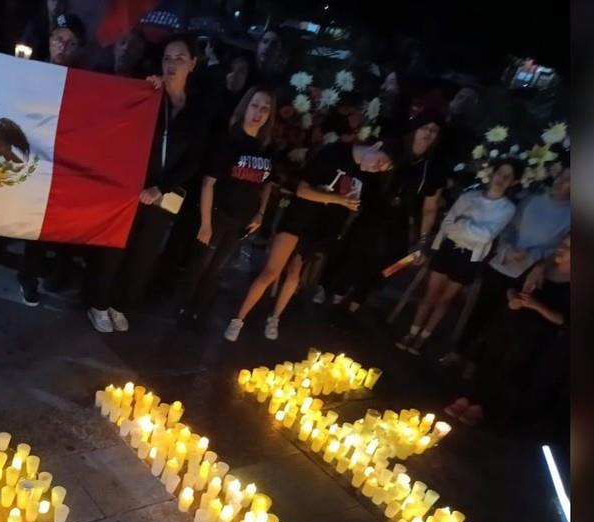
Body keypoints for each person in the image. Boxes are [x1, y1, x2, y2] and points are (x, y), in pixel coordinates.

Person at [224, 114, 393, 341]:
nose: (377, 168)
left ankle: (275, 318)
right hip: (300, 217)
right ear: (376, 145)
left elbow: (362, 203)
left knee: (295, 273)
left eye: (382, 169)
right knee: (272, 270)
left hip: (321, 227)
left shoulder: (366, 176)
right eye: (380, 161)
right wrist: (338, 200)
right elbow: (302, 190)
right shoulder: (335, 152)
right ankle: (238, 319)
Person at [86, 35, 208, 333]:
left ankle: (120, 304)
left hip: (163, 195)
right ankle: (98, 304)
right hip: (130, 188)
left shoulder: (198, 110)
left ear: (192, 63)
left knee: (144, 252)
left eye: (180, 58)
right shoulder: (148, 94)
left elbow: (195, 159)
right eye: (167, 58)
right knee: (114, 247)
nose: (172, 64)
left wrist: (162, 188)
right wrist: (144, 91)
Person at [0, 11, 85, 307]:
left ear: (79, 48)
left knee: (38, 235)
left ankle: (29, 281)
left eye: (70, 42)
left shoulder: (84, 84)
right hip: (18, 162)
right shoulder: (29, 70)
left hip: (50, 172)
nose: (62, 47)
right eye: (58, 39)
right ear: (50, 40)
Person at [441, 166, 571, 374]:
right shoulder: (532, 198)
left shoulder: (570, 215)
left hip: (528, 271)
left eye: (571, 180)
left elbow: (561, 247)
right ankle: (459, 351)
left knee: (502, 318)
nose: (564, 182)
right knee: (480, 308)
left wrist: (534, 256)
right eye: (564, 176)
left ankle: (478, 362)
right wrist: (508, 247)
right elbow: (508, 226)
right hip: (503, 260)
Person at [174, 87, 275, 329]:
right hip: (219, 213)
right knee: (200, 264)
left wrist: (260, 213)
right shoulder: (229, 139)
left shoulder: (267, 147)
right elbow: (209, 183)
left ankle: (200, 312)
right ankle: (183, 309)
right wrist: (206, 222)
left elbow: (268, 183)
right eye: (254, 105)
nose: (258, 112)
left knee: (218, 268)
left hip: (243, 218)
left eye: (264, 108)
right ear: (245, 107)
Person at [328, 109, 446, 314]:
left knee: (379, 263)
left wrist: (422, 240)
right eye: (425, 128)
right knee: (356, 254)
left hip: (398, 220)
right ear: (415, 129)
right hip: (373, 210)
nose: (428, 133)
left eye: (434, 131)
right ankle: (336, 298)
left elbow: (429, 207)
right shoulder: (395, 150)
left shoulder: (431, 168)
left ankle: (355, 305)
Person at [397, 158, 520, 355]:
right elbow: (447, 224)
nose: (502, 178)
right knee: (430, 294)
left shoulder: (507, 208)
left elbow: (487, 235)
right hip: (448, 248)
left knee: (445, 299)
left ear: (513, 182)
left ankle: (423, 337)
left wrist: (462, 225)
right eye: (500, 173)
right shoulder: (469, 196)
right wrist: (469, 230)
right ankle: (412, 332)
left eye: (508, 176)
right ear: (493, 173)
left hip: (469, 257)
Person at [445, 236, 570, 426]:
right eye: (563, 242)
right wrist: (513, 299)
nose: (562, 248)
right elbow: (513, 286)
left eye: (569, 246)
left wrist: (537, 306)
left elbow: (564, 319)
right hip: (510, 321)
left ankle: (482, 406)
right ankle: (468, 397)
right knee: (489, 358)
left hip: (534, 333)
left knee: (505, 367)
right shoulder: (542, 267)